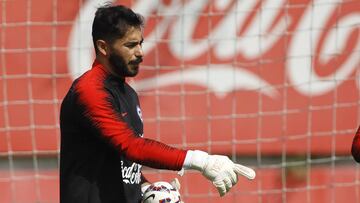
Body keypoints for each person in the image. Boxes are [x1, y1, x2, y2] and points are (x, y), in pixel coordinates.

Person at [60, 4, 255, 203]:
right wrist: (201, 161)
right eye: (130, 45)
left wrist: (148, 188)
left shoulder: (128, 94)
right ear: (103, 47)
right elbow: (132, 147)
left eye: (140, 43)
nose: (140, 53)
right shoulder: (90, 90)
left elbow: (124, 164)